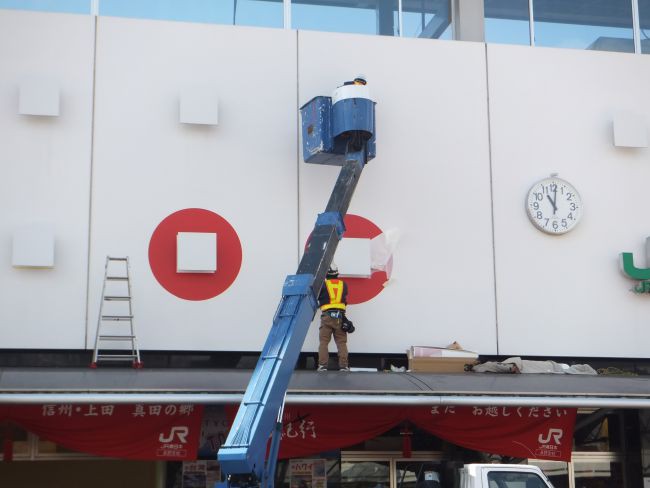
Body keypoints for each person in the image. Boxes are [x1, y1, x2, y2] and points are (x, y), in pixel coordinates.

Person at [317, 264, 351, 372]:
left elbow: (317, 297)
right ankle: (344, 366)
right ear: (337, 273)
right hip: (339, 316)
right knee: (341, 342)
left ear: (326, 274)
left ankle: (323, 365)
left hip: (327, 316)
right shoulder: (343, 285)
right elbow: (343, 300)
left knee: (324, 342)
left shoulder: (323, 285)